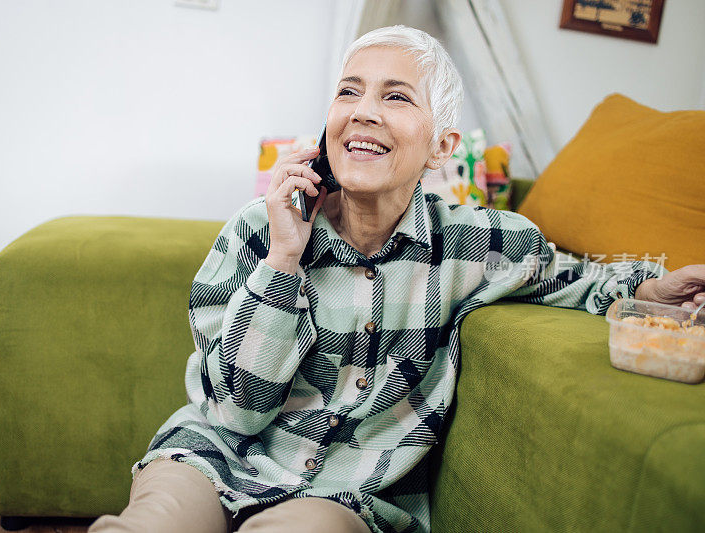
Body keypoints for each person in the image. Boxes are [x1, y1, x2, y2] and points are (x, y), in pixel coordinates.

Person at [89, 25, 705, 533]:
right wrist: (283, 260)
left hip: (347, 492)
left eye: (396, 97)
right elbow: (238, 411)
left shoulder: (476, 243)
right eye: (348, 93)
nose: (363, 113)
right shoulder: (258, 230)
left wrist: (653, 287)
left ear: (442, 146)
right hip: (217, 453)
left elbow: (575, 278)